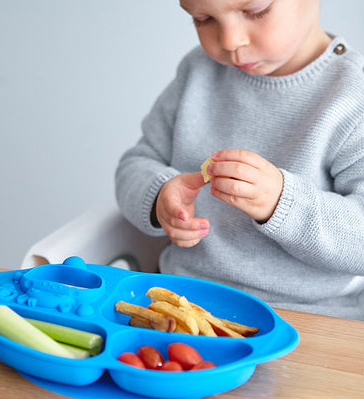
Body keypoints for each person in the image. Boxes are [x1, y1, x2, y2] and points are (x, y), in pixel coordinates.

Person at [115, 0, 364, 320]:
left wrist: (282, 203)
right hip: (184, 306)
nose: (230, 41)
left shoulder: (352, 95)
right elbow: (137, 162)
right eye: (203, 19)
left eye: (256, 11)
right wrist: (159, 196)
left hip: (310, 320)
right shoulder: (197, 72)